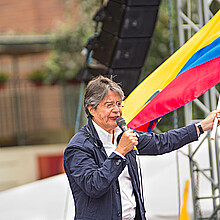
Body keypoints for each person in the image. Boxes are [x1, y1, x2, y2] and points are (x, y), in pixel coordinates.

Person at [64, 75, 220, 220]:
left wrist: (203, 125)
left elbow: (162, 142)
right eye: (109, 105)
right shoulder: (78, 147)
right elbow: (94, 186)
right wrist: (120, 152)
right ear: (91, 109)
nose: (117, 110)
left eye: (119, 104)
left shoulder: (123, 134)